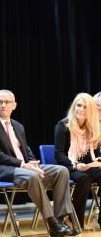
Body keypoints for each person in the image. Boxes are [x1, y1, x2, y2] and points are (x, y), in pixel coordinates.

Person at [0, 89, 76, 237]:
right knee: (32, 176)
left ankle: (61, 219)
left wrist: (32, 162)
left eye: (7, 102)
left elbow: (25, 148)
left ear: (14, 105)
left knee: (61, 171)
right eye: (0, 102)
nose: (3, 105)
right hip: (1, 169)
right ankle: (52, 222)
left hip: (25, 167)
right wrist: (23, 165)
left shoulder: (18, 126)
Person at [55, 93, 101, 229]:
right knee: (83, 179)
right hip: (66, 165)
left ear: (91, 110)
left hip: (85, 165)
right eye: (78, 105)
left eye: (85, 107)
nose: (81, 109)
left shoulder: (93, 127)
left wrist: (97, 161)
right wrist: (75, 165)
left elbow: (95, 154)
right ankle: (75, 219)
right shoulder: (63, 125)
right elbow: (58, 154)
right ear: (74, 107)